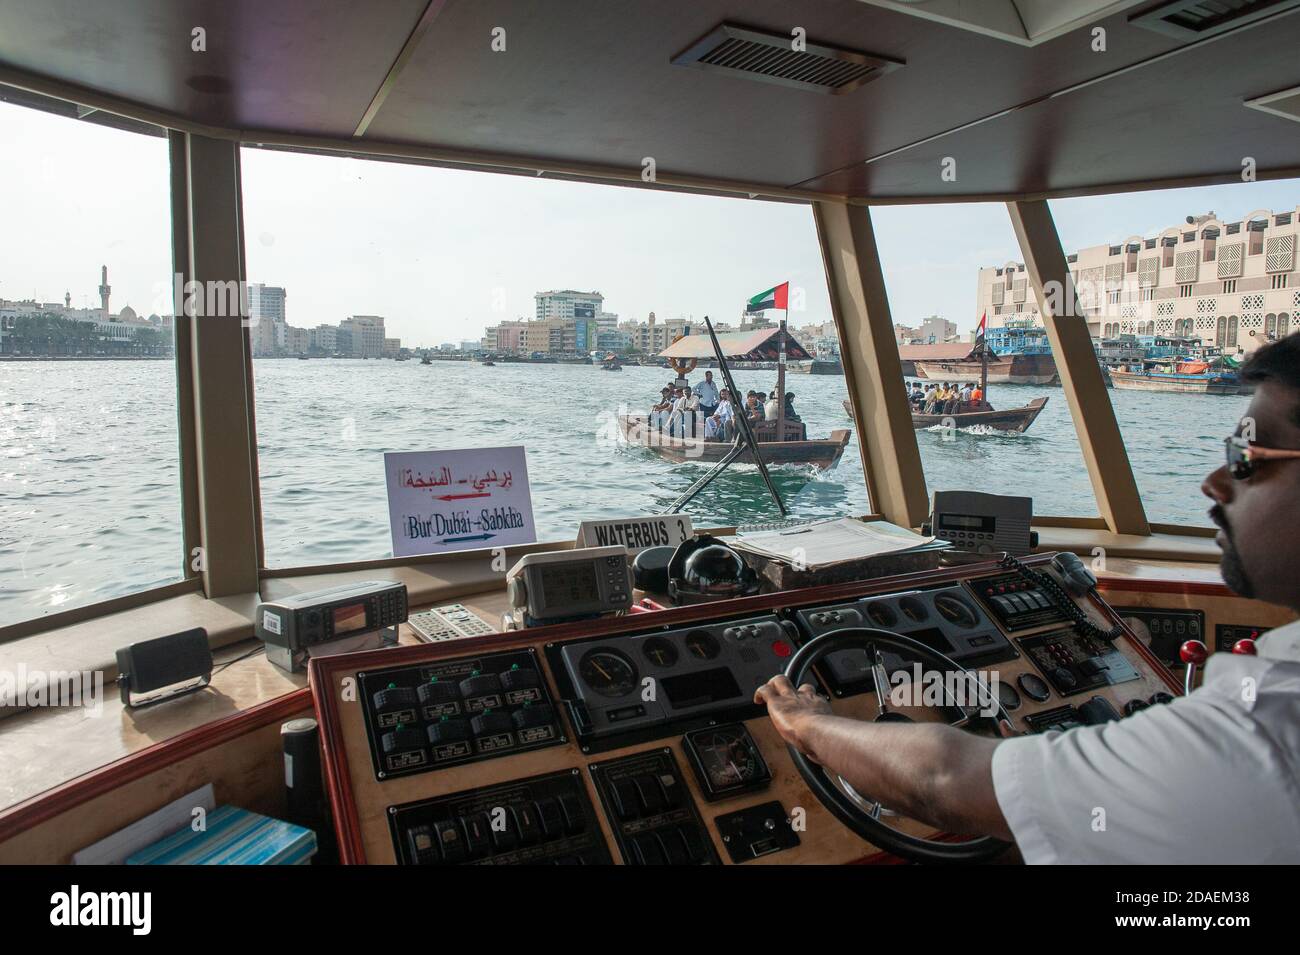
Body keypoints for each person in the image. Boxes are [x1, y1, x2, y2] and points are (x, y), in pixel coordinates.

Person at [755, 332, 1300, 863]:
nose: (1214, 482)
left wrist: (806, 725)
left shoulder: (1260, 733)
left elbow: (942, 782)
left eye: (1246, 458)